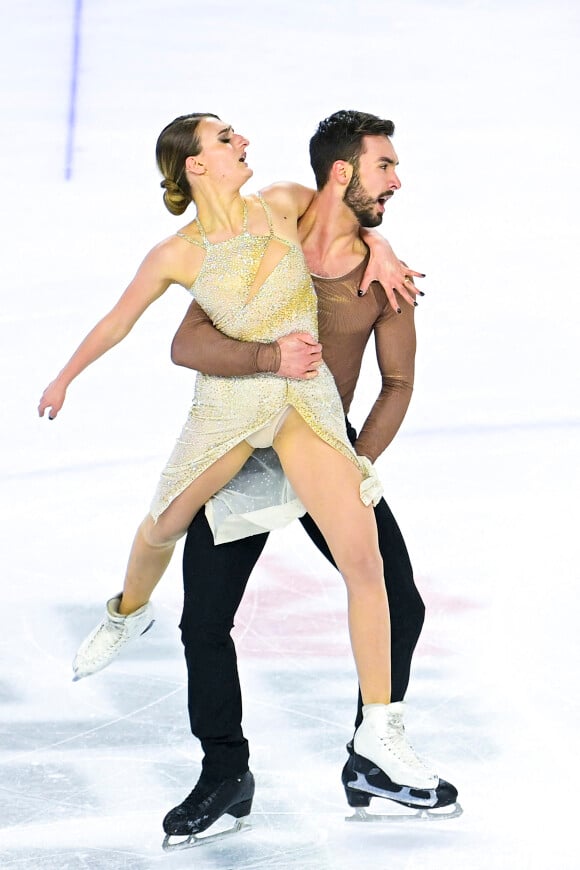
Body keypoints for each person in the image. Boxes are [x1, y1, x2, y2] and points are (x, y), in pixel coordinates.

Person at [38, 113, 443, 827]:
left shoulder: (315, 228)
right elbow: (158, 335)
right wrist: (66, 377)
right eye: (225, 138)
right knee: (195, 599)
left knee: (380, 579)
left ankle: (375, 746)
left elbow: (394, 366)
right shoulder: (206, 243)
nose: (244, 141)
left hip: (314, 423)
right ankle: (218, 763)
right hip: (235, 426)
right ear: (195, 165)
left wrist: (379, 246)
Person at [160, 111, 459, 847]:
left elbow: (397, 384)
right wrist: (265, 362)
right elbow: (188, 340)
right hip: (243, 446)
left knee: (400, 601)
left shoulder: (386, 279)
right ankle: (225, 772)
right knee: (204, 621)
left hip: (327, 450)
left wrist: (358, 464)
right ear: (342, 174)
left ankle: (372, 756)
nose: (399, 180)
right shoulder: (270, 249)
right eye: (385, 165)